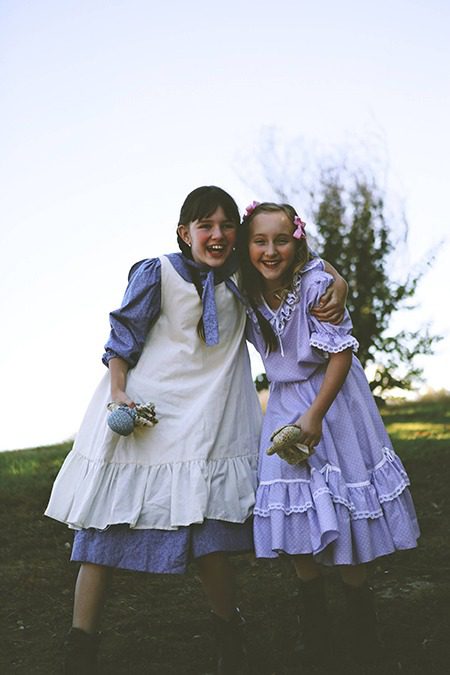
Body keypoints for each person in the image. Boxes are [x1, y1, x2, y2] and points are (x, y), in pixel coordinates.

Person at [45, 187, 347, 675]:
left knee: (208, 537)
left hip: (209, 420)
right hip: (147, 413)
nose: (218, 234)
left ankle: (231, 640)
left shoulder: (243, 275)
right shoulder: (157, 272)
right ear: (185, 233)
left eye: (228, 225)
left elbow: (305, 264)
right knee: (101, 535)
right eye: (205, 225)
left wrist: (341, 283)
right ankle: (80, 648)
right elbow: (121, 338)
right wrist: (118, 392)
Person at [239, 201, 420, 667]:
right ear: (247, 246)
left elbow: (340, 355)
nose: (271, 250)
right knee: (294, 500)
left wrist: (316, 415)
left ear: (296, 240)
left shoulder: (317, 285)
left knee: (343, 503)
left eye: (281, 239)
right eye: (260, 240)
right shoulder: (246, 291)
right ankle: (315, 627)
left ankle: (363, 629)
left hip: (332, 401)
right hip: (284, 401)